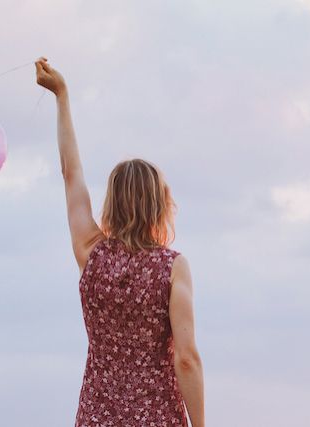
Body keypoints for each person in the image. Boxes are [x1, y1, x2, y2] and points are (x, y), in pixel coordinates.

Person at [36, 57, 205, 427]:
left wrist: (62, 96)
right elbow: (187, 357)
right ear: (161, 205)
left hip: (98, 418)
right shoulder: (174, 268)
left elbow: (71, 173)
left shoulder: (90, 252)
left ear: (113, 201)